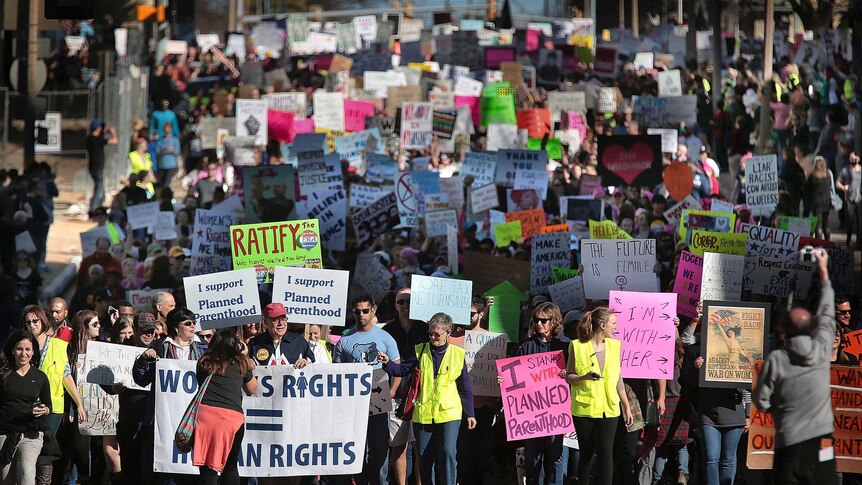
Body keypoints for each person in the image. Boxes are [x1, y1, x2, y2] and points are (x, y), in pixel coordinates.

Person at [753, 249, 837, 485]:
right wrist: (823, 270)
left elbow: (760, 400)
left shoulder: (777, 359)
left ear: (783, 331)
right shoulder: (822, 349)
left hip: (788, 445)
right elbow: (828, 312)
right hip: (822, 444)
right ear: (813, 328)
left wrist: (779, 410)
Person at [378, 312, 476, 485]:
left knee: (447, 452)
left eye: (437, 334)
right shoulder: (420, 350)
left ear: (448, 332)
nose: (433, 337)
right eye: (430, 333)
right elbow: (401, 370)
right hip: (423, 413)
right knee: (423, 456)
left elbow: (465, 387)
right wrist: (387, 363)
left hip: (449, 413)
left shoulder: (457, 354)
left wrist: (470, 413)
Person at [333, 295, 401, 485]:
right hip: (353, 397)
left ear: (373, 310)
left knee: (379, 447)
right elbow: (337, 372)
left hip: (378, 390)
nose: (361, 315)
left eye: (365, 311)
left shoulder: (385, 337)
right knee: (357, 446)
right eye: (357, 311)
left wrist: (393, 391)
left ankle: (378, 481)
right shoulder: (344, 340)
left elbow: (397, 367)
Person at [564, 307, 634, 485]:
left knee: (606, 452)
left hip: (609, 408)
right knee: (586, 453)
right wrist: (584, 377)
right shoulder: (577, 346)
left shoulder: (615, 346)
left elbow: (618, 379)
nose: (616, 327)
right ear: (602, 325)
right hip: (584, 409)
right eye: (613, 324)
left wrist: (626, 406)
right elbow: (569, 376)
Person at [511, 302, 571, 485]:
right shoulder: (527, 345)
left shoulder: (566, 345)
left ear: (554, 321)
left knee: (555, 457)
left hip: (556, 410)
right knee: (533, 458)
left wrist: (568, 374)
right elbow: (513, 371)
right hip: (532, 411)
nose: (539, 324)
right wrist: (504, 379)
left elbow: (576, 371)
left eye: (543, 320)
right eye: (536, 320)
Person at [194, 329, 257, 485]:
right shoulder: (241, 363)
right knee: (230, 467)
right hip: (232, 419)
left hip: (206, 417)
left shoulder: (204, 362)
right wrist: (244, 355)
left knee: (207, 467)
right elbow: (252, 389)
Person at [381, 287, 429, 485]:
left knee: (421, 448)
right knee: (399, 446)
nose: (405, 305)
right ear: (395, 306)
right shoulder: (387, 331)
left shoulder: (426, 329)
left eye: (409, 301)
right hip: (397, 396)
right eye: (401, 302)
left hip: (423, 395)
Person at [22, 305, 86, 435]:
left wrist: (79, 404)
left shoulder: (59, 346)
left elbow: (66, 376)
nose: (32, 325)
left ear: (43, 321)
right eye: (28, 322)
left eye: (35, 321)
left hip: (53, 406)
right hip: (27, 404)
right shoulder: (22, 345)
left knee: (46, 445)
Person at [0, 330, 53, 485]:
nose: (23, 353)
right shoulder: (3, 374)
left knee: (26, 475)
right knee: (5, 479)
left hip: (30, 434)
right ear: (12, 350)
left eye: (28, 349)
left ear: (33, 352)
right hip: (4, 433)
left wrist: (45, 409)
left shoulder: (40, 377)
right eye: (19, 349)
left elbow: (48, 405)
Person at [248, 303, 313, 368]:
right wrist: (246, 362)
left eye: (283, 319)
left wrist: (306, 363)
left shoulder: (299, 342)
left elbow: (314, 367)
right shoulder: (254, 344)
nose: (281, 323)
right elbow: (242, 368)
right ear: (265, 322)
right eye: (275, 319)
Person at [86, 119, 118, 213]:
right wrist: (113, 132)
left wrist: (104, 131)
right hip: (97, 167)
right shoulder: (97, 139)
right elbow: (115, 141)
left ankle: (97, 208)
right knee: (99, 190)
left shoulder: (90, 138)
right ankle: (93, 210)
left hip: (94, 167)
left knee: (100, 189)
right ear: (97, 128)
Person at [803, 156, 834, 240]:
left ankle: (818, 242)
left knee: (818, 225)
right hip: (826, 202)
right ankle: (828, 241)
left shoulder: (812, 176)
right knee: (826, 224)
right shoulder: (828, 174)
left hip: (816, 203)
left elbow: (807, 189)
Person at [836, 151, 862, 249]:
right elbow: (837, 183)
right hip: (849, 200)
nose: (853, 160)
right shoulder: (845, 170)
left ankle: (859, 243)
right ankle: (849, 239)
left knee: (859, 222)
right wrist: (843, 187)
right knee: (850, 222)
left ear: (859, 159)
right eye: (851, 158)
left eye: (855, 158)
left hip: (859, 199)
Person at [155, 122, 180, 192]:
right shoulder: (160, 140)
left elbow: (177, 153)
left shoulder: (175, 140)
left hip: (171, 164)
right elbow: (157, 153)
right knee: (160, 183)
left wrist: (172, 150)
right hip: (162, 165)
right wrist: (163, 150)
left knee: (166, 183)